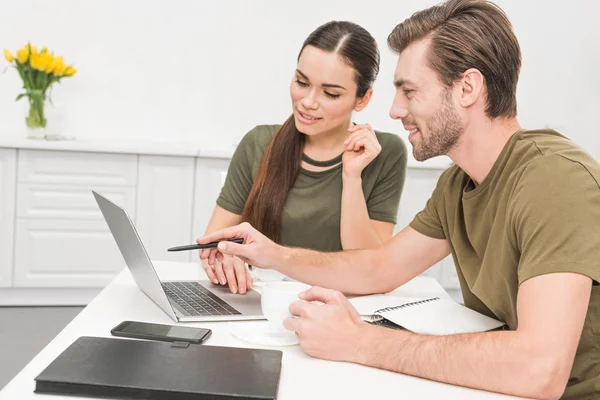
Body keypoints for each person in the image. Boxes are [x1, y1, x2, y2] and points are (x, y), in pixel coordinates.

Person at [197, 1, 600, 399]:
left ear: (467, 88)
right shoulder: (457, 185)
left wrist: (360, 341)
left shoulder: (555, 178)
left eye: (409, 91)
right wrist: (273, 254)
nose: (394, 110)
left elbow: (539, 368)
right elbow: (379, 267)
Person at [201, 21, 408, 295]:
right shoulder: (258, 144)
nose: (308, 101)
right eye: (301, 82)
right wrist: (222, 257)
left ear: (362, 99)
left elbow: (368, 267)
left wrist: (351, 176)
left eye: (330, 93)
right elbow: (211, 243)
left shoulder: (385, 152)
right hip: (261, 303)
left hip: (341, 307)